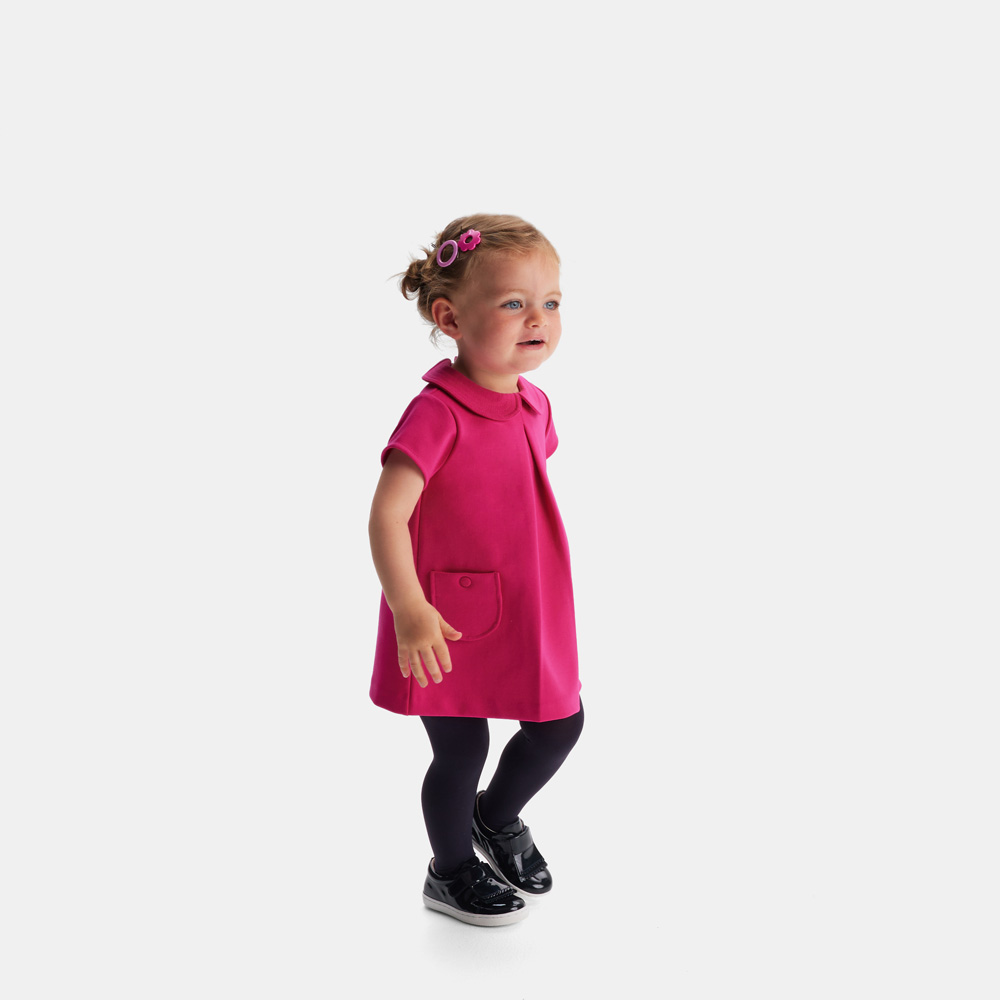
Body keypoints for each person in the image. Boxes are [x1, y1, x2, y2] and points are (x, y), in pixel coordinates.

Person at [368, 214, 585, 927]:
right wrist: (409, 608)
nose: (538, 319)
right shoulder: (436, 414)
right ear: (450, 318)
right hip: (444, 618)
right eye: (514, 303)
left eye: (550, 302)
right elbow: (387, 516)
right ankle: (451, 868)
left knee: (559, 725)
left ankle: (496, 815)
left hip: (525, 603)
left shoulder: (534, 404)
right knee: (462, 748)